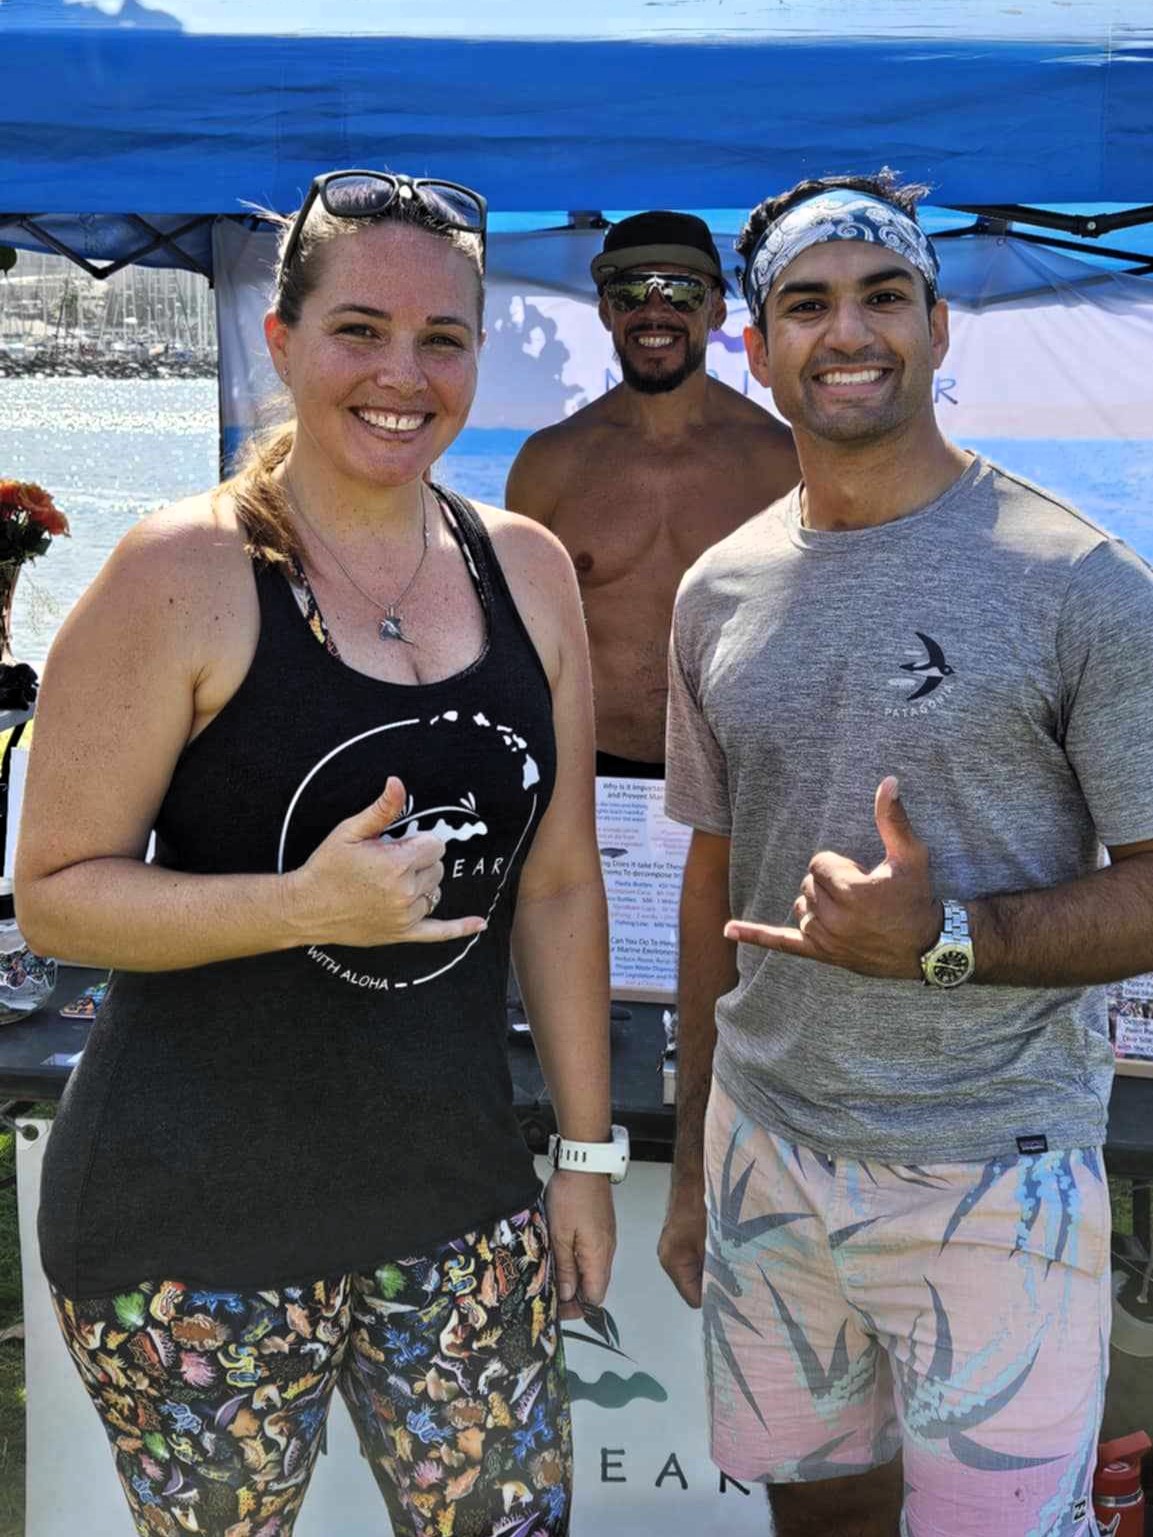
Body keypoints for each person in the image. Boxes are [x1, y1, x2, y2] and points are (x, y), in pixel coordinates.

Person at [17, 168, 621, 1537]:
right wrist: (303, 904)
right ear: (281, 342)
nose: (402, 373)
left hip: (454, 1198)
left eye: (442, 338)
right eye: (359, 329)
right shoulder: (179, 574)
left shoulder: (526, 568)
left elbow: (563, 878)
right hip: (188, 1224)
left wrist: (585, 1156)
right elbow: (56, 898)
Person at [657, 169, 1153, 1537]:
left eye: (883, 297)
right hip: (769, 1157)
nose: (849, 332)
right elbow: (716, 876)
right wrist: (699, 1161)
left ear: (940, 327)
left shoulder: (1080, 584)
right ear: (755, 354)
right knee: (817, 1520)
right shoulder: (720, 592)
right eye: (805, 306)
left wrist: (946, 942)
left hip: (995, 1170)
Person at [506, 211, 797, 778]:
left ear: (716, 308)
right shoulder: (549, 463)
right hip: (586, 771)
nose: (654, 310)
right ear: (605, 309)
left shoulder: (781, 462)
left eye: (682, 291)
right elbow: (515, 647)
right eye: (631, 290)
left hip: (738, 773)